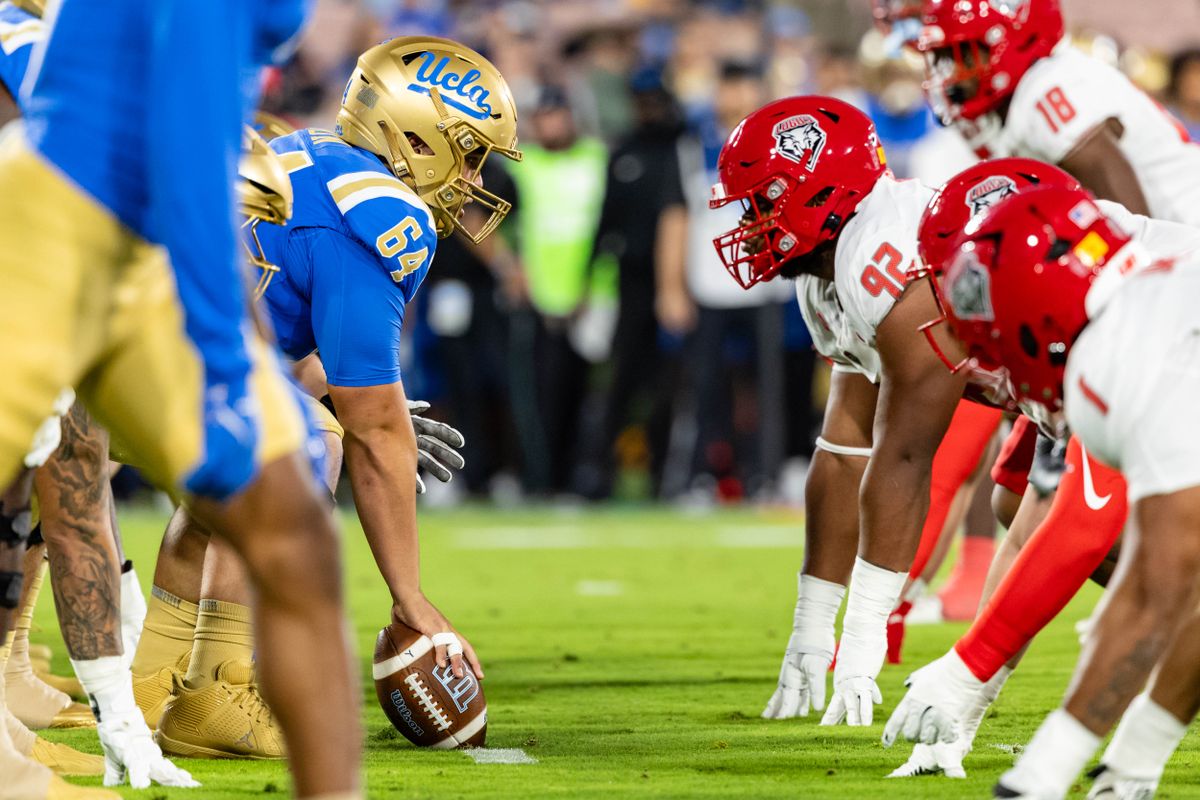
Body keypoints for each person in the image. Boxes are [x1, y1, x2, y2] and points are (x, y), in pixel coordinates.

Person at [0, 1, 363, 797]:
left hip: (145, 247)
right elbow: (185, 133)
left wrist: (257, 355)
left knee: (296, 530)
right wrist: (227, 359)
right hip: (53, 219)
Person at [134, 37, 518, 760]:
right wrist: (411, 599)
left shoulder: (309, 153)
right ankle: (219, 689)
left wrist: (364, 409)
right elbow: (373, 431)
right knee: (302, 443)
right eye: (468, 154)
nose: (473, 178)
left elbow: (286, 361)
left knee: (259, 441)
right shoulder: (379, 213)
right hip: (143, 359)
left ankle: (154, 682)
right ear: (415, 137)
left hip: (126, 347)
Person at [883, 161, 1200, 781]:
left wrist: (968, 672)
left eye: (980, 295)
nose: (974, 331)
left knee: (1163, 573)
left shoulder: (1124, 338)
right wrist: (970, 696)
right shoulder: (1105, 295)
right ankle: (1131, 769)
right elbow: (1033, 525)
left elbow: (1084, 529)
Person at [710, 95, 1003, 727]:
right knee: (1038, 510)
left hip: (1141, 344)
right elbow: (844, 452)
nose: (750, 225)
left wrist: (864, 636)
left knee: (1095, 530)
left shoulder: (885, 255)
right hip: (1060, 388)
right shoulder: (827, 274)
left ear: (819, 193)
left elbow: (905, 456)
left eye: (761, 203)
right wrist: (812, 626)